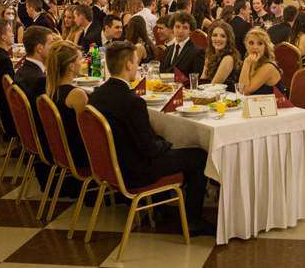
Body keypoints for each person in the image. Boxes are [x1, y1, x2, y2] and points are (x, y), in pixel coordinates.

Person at [87, 41, 212, 235]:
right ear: (129, 64)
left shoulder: (97, 94)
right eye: (136, 62)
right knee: (199, 156)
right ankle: (193, 221)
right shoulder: (132, 101)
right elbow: (150, 149)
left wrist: (162, 141)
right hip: (135, 171)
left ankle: (161, 208)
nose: (137, 66)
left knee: (165, 141)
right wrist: (167, 144)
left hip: (110, 166)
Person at [46, 40, 89, 168]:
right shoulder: (76, 94)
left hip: (60, 150)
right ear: (71, 66)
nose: (82, 62)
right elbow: (89, 130)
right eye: (80, 60)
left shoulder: (51, 88)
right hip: (79, 156)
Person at [238, 28, 283, 95]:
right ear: (246, 45)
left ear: (265, 47)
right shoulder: (252, 61)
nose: (255, 47)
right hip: (256, 101)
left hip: (274, 102)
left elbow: (243, 91)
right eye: (251, 43)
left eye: (260, 43)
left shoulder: (268, 67)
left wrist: (246, 63)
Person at [14, 25, 55, 98]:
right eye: (51, 44)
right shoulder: (40, 80)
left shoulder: (20, 71)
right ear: (39, 48)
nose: (54, 47)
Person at [159, 12, 205, 76]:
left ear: (190, 31)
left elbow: (195, 78)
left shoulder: (197, 52)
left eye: (185, 28)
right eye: (177, 27)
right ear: (172, 28)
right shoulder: (168, 49)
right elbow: (162, 72)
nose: (180, 31)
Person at [201, 21, 241, 89]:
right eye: (215, 35)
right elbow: (203, 80)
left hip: (225, 94)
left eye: (223, 36)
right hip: (209, 93)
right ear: (210, 38)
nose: (218, 39)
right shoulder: (210, 54)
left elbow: (214, 86)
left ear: (228, 39)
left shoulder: (228, 58)